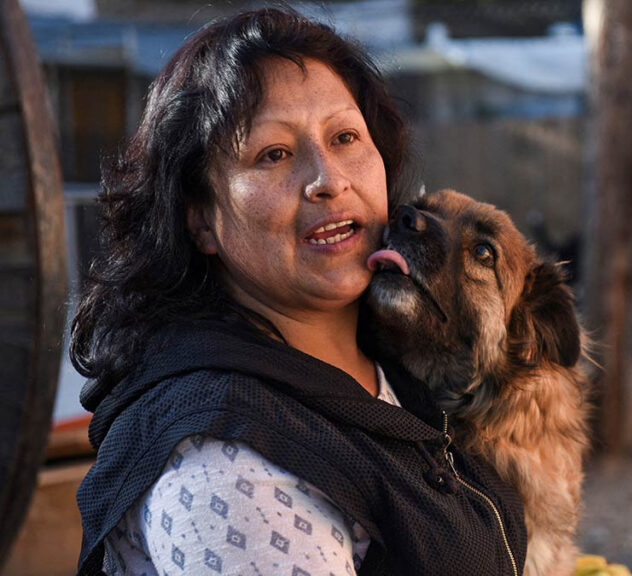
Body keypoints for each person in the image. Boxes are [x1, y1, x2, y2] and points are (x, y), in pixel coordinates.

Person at [70, 8, 526, 576]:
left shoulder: (401, 369)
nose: (328, 179)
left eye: (344, 137)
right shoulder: (228, 470)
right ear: (202, 221)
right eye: (274, 154)